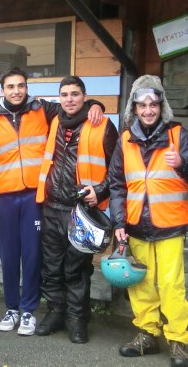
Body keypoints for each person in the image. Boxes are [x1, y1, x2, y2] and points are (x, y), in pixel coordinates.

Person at [0, 68, 104, 336]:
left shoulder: (44, 109)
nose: (17, 91)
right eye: (11, 86)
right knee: (9, 256)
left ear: (27, 88)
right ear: (2, 90)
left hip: (35, 196)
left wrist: (95, 103)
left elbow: (73, 106)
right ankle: (11, 308)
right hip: (4, 197)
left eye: (21, 86)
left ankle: (28, 311)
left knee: (34, 255)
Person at [108, 75, 188, 367]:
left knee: (171, 285)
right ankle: (146, 334)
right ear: (134, 107)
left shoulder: (180, 136)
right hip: (136, 226)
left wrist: (183, 163)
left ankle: (178, 341)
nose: (148, 110)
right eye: (142, 105)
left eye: (153, 104)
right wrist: (118, 223)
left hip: (170, 226)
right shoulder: (125, 140)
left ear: (161, 106)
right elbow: (117, 184)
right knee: (141, 285)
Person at [34, 76, 118, 343]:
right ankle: (56, 313)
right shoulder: (54, 118)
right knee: (51, 267)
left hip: (81, 212)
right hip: (51, 207)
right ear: (59, 97)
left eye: (75, 94)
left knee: (77, 269)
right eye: (64, 94)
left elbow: (119, 170)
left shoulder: (102, 124)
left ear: (84, 96)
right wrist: (96, 103)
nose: (69, 99)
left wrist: (102, 191)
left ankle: (77, 319)